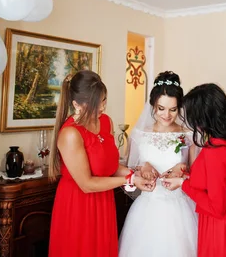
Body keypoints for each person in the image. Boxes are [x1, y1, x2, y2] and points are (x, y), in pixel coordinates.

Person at [48, 70, 155, 257]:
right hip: (78, 205)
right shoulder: (70, 134)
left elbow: (110, 167)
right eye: (96, 103)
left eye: (104, 100)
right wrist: (129, 181)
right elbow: (87, 184)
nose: (102, 108)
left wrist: (134, 175)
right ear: (76, 104)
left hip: (103, 200)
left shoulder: (106, 122)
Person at [162, 83, 226, 256]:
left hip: (222, 228)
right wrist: (189, 174)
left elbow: (217, 206)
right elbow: (224, 179)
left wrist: (183, 184)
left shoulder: (216, 149)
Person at [118, 71, 199, 257]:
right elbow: (128, 173)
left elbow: (197, 175)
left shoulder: (188, 136)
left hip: (180, 208)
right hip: (148, 208)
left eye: (173, 109)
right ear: (153, 104)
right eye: (161, 108)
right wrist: (142, 166)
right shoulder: (138, 135)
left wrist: (184, 169)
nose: (167, 115)